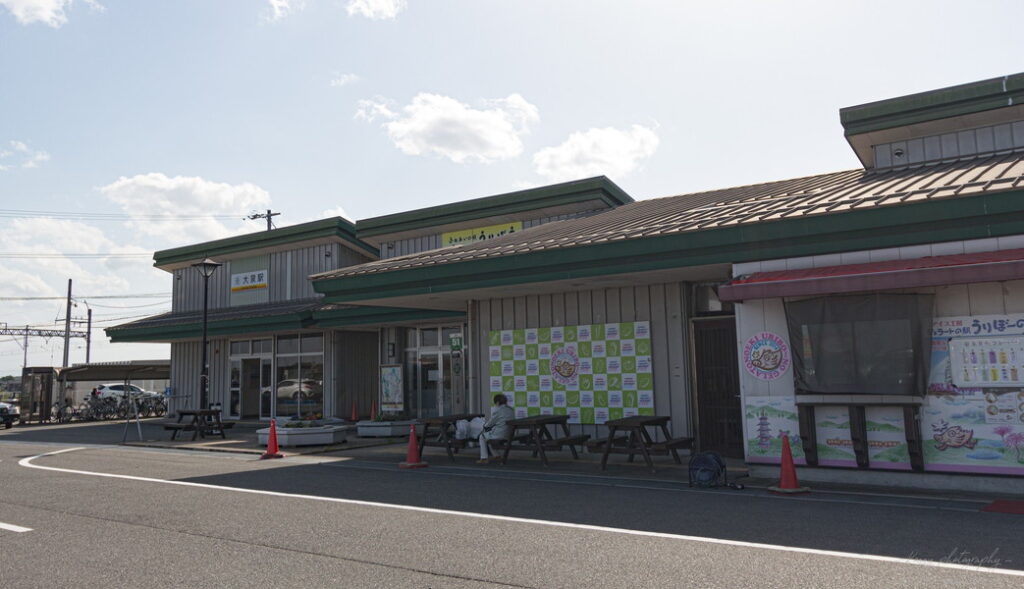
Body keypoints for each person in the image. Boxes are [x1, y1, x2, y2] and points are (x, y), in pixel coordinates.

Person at [455, 394, 514, 464]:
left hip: (500, 434)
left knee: (482, 436)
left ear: (497, 402)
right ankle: (496, 455)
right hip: (508, 433)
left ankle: (484, 458)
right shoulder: (510, 410)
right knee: (487, 435)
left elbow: (490, 423)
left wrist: (484, 427)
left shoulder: (498, 411)